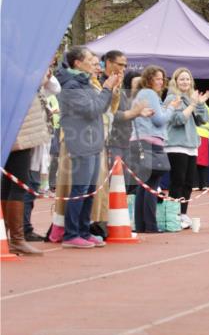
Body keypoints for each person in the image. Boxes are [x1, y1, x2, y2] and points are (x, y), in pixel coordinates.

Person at [58, 46, 121, 248]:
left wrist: (108, 90)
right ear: (78, 63)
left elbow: (101, 108)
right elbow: (92, 110)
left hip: (93, 141)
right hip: (81, 142)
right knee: (80, 188)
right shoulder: (71, 85)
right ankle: (71, 234)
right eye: (91, 60)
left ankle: (84, 231)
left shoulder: (85, 82)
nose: (96, 64)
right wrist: (107, 89)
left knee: (90, 189)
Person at [2, 85, 53, 256]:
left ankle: (9, 237)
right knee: (17, 184)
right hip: (20, 133)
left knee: (9, 184)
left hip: (16, 131)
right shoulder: (21, 70)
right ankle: (16, 239)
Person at [129, 66, 179, 234]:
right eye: (157, 78)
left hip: (139, 142)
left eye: (162, 78)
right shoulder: (150, 94)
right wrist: (171, 107)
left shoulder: (141, 94)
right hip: (150, 141)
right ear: (149, 79)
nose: (160, 82)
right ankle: (150, 225)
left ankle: (142, 224)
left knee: (143, 186)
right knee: (151, 185)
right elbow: (159, 120)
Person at [164, 68, 209, 228]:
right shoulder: (172, 97)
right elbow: (177, 119)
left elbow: (202, 120)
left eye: (188, 79)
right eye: (182, 79)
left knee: (189, 182)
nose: (185, 82)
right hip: (176, 146)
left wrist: (200, 104)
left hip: (191, 145)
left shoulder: (192, 98)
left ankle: (183, 214)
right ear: (175, 81)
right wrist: (192, 104)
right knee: (178, 181)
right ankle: (173, 214)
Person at [24, 67, 61, 242]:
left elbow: (55, 88)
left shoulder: (41, 91)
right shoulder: (27, 89)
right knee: (25, 187)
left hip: (39, 143)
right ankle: (22, 229)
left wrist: (47, 74)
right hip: (27, 143)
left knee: (31, 186)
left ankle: (24, 228)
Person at [195, 101, 209, 190]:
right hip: (205, 135)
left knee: (194, 160)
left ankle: (195, 185)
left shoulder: (195, 104)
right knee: (203, 162)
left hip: (196, 135)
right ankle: (205, 184)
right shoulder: (206, 106)